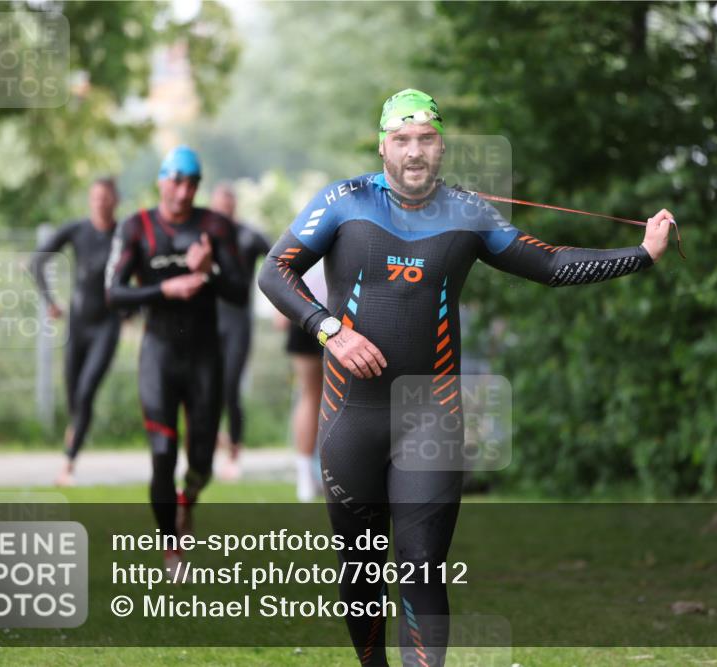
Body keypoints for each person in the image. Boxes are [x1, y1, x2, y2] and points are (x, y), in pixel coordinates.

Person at [258, 89, 673, 667]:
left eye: (426, 138)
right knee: (360, 573)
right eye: (402, 139)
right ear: (383, 147)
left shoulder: (468, 212)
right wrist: (330, 330)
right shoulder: (343, 201)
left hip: (431, 417)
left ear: (442, 146)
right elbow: (275, 271)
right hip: (351, 417)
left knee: (422, 566)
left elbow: (550, 263)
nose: (414, 151)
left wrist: (642, 253)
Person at [105, 146, 248, 576]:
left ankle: (189, 498)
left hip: (205, 356)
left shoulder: (215, 226)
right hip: (160, 354)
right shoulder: (136, 227)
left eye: (192, 184)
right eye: (176, 182)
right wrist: (164, 290)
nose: (184, 193)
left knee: (201, 461)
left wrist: (209, 272)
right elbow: (113, 293)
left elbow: (241, 291)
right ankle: (171, 547)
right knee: (163, 452)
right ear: (161, 181)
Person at [32, 177, 122, 487]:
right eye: (96, 197)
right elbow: (37, 261)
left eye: (106, 198)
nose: (100, 203)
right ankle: (77, 428)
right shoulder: (77, 230)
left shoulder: (125, 234)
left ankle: (68, 465)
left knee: (86, 391)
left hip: (107, 326)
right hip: (78, 325)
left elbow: (143, 271)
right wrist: (50, 301)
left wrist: (134, 307)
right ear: (90, 200)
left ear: (115, 201)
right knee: (74, 396)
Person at [208, 182, 272, 481]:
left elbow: (281, 259)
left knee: (230, 388)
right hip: (208, 322)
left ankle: (233, 451)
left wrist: (283, 305)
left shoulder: (248, 236)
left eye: (228, 204)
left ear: (234, 206)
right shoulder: (204, 236)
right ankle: (206, 448)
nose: (224, 210)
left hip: (238, 323)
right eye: (219, 205)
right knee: (206, 389)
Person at [273, 260, 327, 502]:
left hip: (306, 310)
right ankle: (309, 475)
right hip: (328, 313)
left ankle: (309, 477)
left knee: (311, 395)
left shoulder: (307, 237)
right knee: (317, 395)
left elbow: (284, 263)